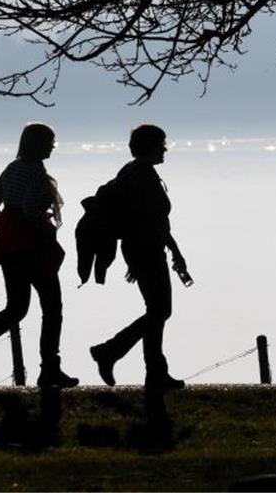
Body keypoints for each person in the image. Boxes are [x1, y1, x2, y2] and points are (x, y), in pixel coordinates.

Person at [0, 122, 79, 389]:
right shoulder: (34, 173)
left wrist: (7, 229)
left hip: (11, 247)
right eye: (49, 141)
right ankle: (49, 368)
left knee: (16, 308)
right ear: (38, 144)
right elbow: (31, 208)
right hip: (32, 248)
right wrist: (46, 229)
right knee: (52, 307)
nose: (53, 146)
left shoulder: (12, 169)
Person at [89, 124, 190, 390]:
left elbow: (151, 221)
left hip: (141, 249)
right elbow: (153, 222)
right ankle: (110, 351)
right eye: (162, 144)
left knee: (156, 311)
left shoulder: (131, 171)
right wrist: (174, 251)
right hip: (146, 249)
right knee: (160, 310)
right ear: (151, 146)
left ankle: (155, 373)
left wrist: (169, 251)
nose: (166, 149)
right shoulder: (143, 176)